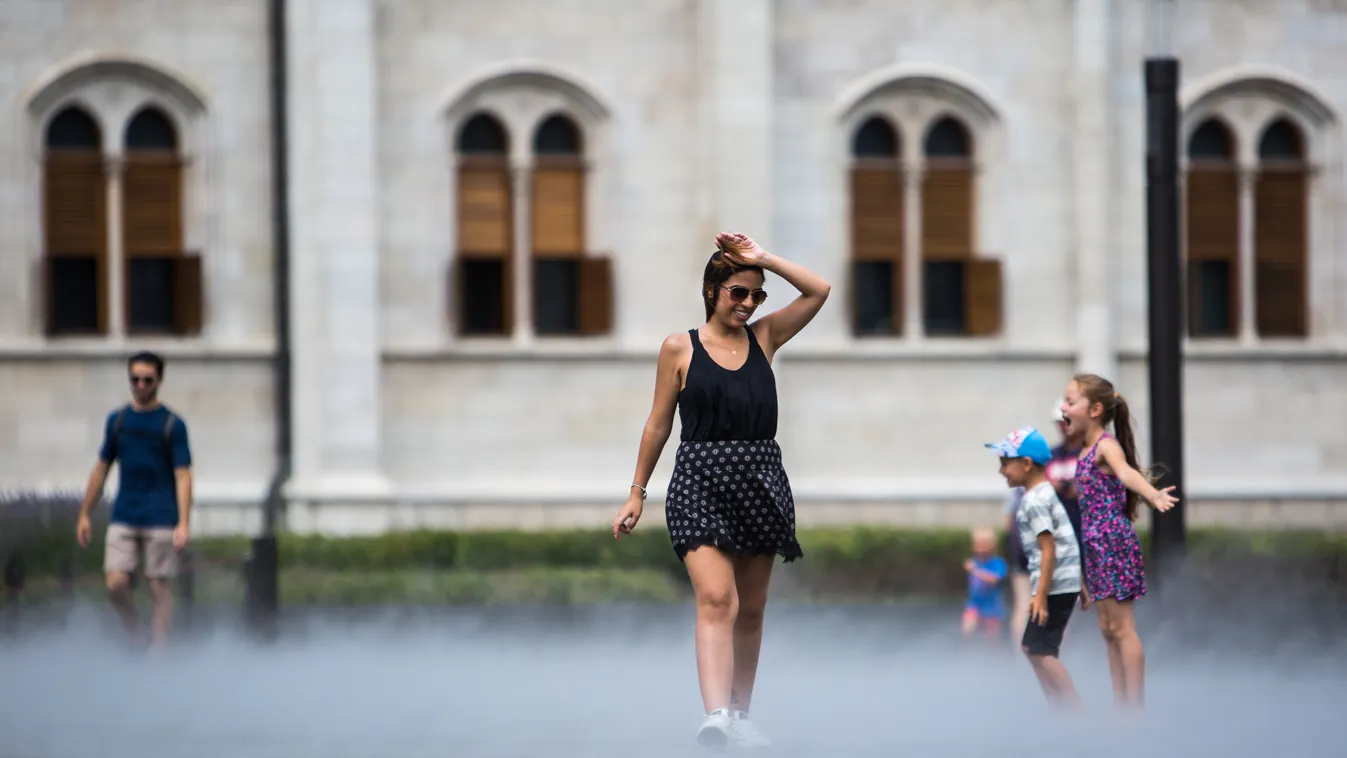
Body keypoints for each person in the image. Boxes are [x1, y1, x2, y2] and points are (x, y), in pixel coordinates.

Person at [612, 232, 830, 749]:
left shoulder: (767, 338)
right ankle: (716, 714)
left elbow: (819, 291)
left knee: (751, 609)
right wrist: (637, 491)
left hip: (759, 478)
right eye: (738, 292)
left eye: (756, 294)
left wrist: (763, 260)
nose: (748, 303)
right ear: (712, 290)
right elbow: (658, 424)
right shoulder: (678, 347)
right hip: (700, 480)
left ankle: (741, 712)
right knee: (716, 598)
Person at [1059, 374, 1177, 707]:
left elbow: (1126, 473)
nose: (1063, 409)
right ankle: (1120, 703)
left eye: (1070, 402)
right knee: (1107, 629)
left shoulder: (1106, 446)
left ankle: (1133, 709)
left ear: (1095, 409)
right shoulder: (1083, 449)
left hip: (1112, 541)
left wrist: (1152, 495)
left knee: (1122, 628)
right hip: (1095, 544)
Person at [75, 351, 194, 650]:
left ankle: (159, 650)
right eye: (135, 379)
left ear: (159, 381)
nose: (141, 386)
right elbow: (101, 468)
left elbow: (183, 475)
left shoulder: (172, 424)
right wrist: (85, 513)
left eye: (147, 380)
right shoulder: (118, 421)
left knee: (158, 585)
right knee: (115, 583)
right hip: (125, 513)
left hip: (161, 515)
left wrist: (183, 521)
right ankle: (137, 633)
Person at [986, 426, 1084, 706]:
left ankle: (1073, 709)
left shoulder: (1034, 501)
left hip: (1052, 587)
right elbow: (1067, 539)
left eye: (1006, 463)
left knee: (1040, 652)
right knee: (1034, 648)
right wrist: (1081, 582)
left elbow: (1049, 548)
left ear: (1027, 464)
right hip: (1062, 584)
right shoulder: (1047, 493)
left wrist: (1039, 595)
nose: (1001, 471)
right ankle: (1060, 706)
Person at [961, 527, 1008, 640]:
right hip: (974, 606)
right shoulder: (973, 562)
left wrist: (975, 571)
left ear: (993, 546)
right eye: (978, 544)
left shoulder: (998, 563)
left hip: (993, 609)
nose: (980, 547)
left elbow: (994, 580)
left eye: (984, 544)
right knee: (967, 630)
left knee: (991, 638)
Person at [1002, 486, 1030, 648]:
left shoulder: (1015, 495)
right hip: (1047, 554)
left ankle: (1020, 652)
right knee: (1054, 605)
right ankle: (1055, 656)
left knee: (1022, 604)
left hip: (1019, 555)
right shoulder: (1049, 489)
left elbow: (1007, 527)